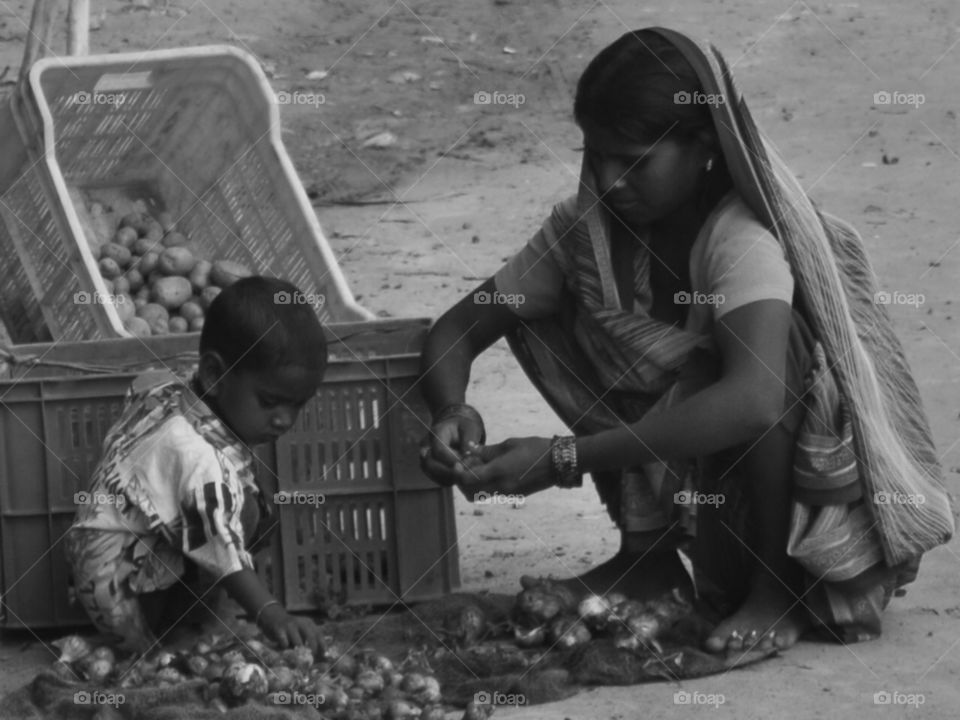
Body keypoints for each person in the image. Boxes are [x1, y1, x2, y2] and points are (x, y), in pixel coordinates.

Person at [419, 28, 953, 654]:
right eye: (596, 155)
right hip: (699, 480)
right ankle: (647, 559)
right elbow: (458, 328)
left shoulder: (740, 236)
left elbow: (754, 401)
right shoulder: (585, 232)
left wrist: (563, 459)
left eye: (634, 161)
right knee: (547, 309)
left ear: (703, 145)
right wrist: (451, 411)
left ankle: (778, 587)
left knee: (774, 352)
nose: (609, 181)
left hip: (790, 508)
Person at [65, 276, 326, 654]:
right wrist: (272, 613)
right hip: (120, 594)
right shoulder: (198, 457)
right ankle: (172, 635)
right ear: (215, 375)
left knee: (249, 501)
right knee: (243, 511)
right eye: (270, 402)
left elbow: (143, 382)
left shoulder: (169, 389)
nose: (284, 420)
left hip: (97, 552)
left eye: (297, 405)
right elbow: (220, 543)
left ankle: (185, 618)